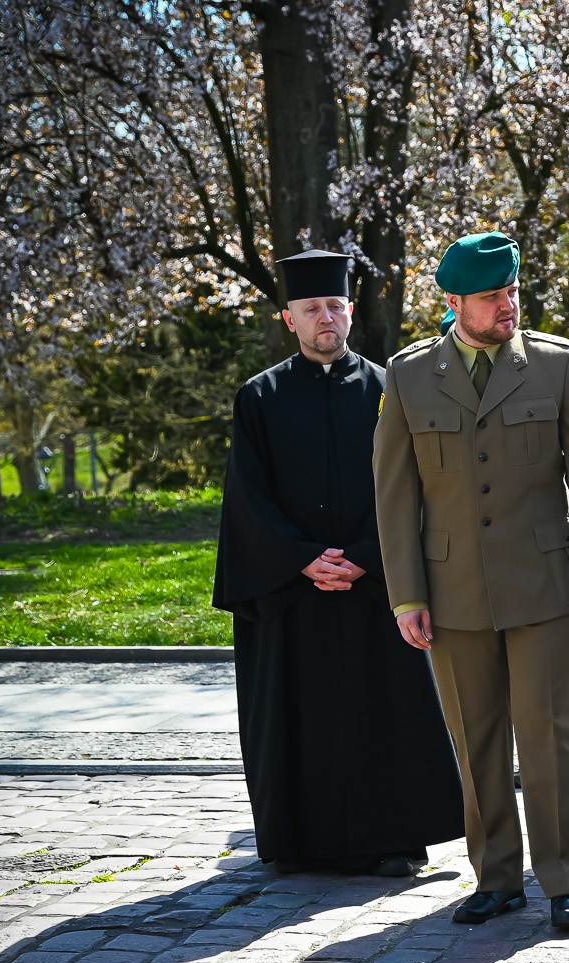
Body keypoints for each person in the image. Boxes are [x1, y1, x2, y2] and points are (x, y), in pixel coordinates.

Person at [372, 230, 569, 933]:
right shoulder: (409, 374)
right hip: (452, 590)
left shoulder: (555, 363)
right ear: (454, 302)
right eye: (490, 296)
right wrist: (407, 594)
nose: (507, 305)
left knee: (551, 737)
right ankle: (497, 877)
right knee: (476, 740)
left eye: (512, 291)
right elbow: (395, 493)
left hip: (546, 585)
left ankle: (565, 880)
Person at [213, 249, 464, 875]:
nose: (324, 318)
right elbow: (247, 496)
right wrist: (303, 559)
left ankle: (392, 839)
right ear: (289, 319)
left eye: (333, 306)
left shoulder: (391, 389)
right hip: (290, 590)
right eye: (310, 309)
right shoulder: (259, 397)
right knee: (297, 715)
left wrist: (365, 557)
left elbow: (420, 486)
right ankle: (298, 841)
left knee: (382, 712)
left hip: (375, 583)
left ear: (350, 310)